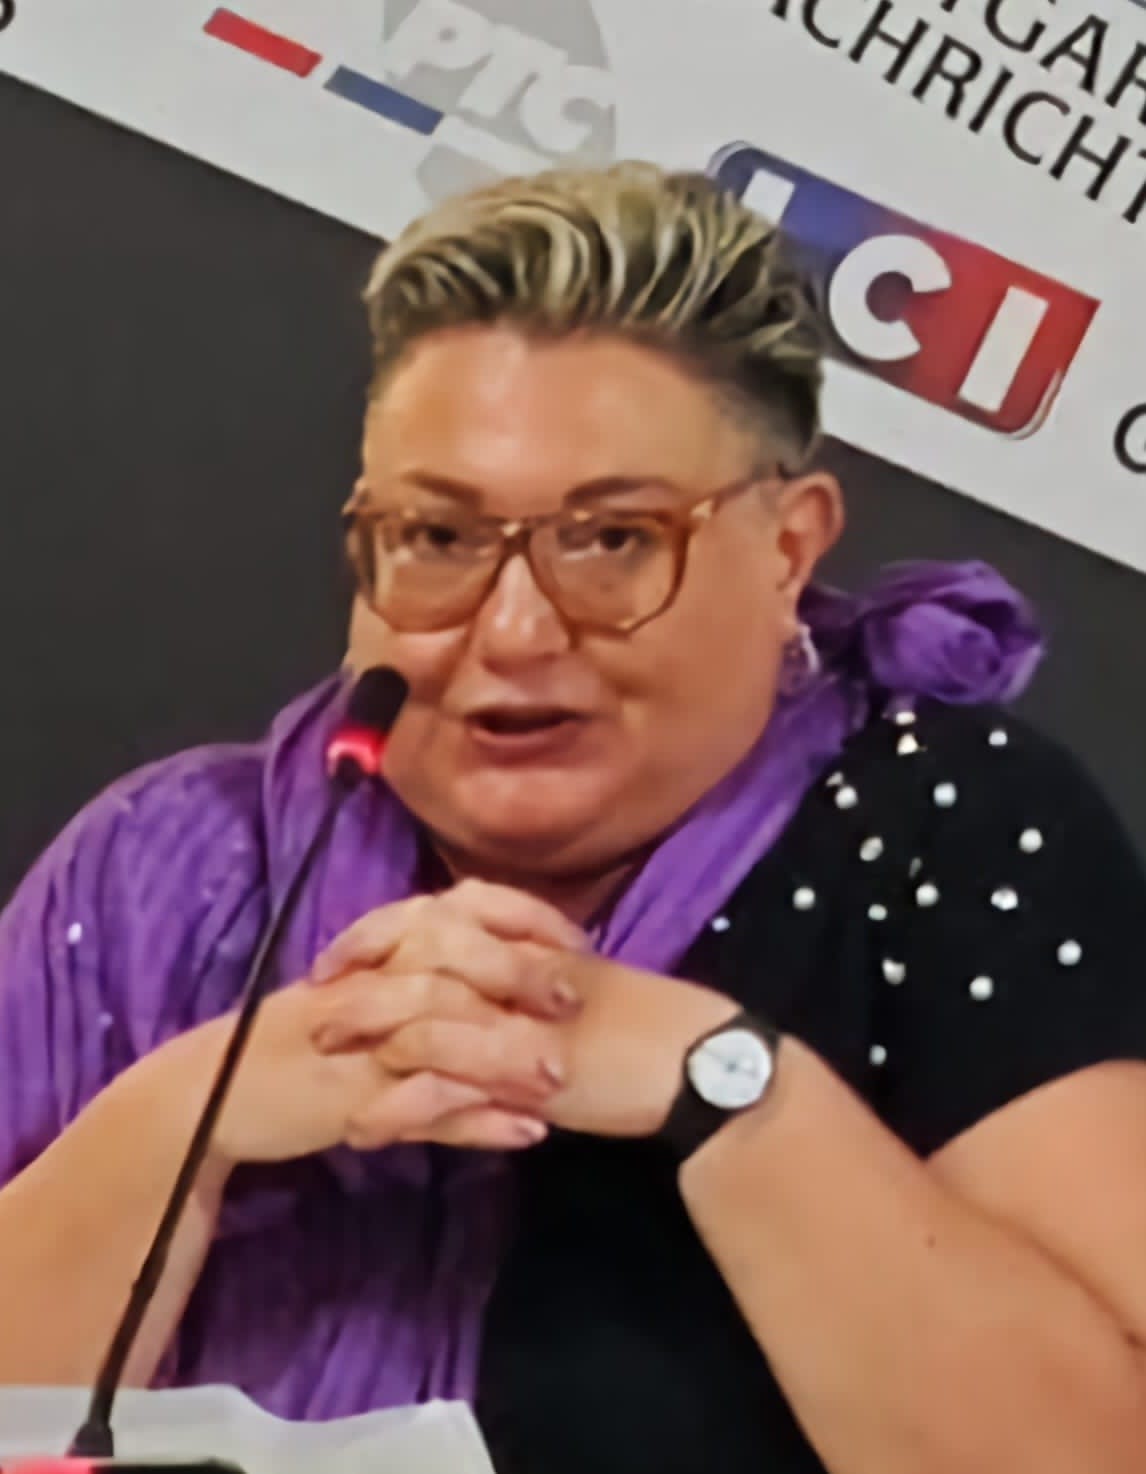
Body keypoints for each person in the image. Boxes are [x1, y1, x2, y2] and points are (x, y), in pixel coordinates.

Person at [1, 162, 1145, 1474]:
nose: (514, 630)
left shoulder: (940, 838)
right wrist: (184, 1119)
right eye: (438, 536)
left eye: (611, 541)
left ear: (789, 547)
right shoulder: (169, 868)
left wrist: (724, 1085)